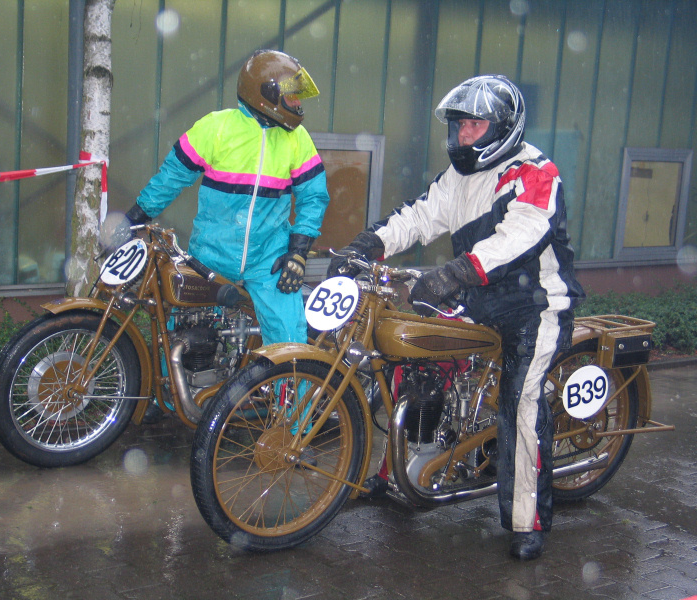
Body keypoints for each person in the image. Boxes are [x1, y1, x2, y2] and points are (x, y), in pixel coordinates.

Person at [328, 75, 586, 561]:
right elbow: (420, 217)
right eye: (459, 125)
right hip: (481, 298)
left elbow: (517, 238)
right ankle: (397, 473)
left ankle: (526, 520)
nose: (464, 134)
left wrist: (453, 274)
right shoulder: (459, 177)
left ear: (503, 127)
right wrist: (367, 245)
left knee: (520, 399)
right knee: (414, 358)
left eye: (475, 124)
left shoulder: (535, 172)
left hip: (537, 304)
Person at [119, 49, 330, 421]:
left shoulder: (297, 140)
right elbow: (173, 176)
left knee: (288, 335)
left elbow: (313, 197)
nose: (296, 103)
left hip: (270, 256)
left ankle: (293, 429)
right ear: (264, 91)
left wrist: (298, 251)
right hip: (209, 255)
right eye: (291, 94)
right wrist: (135, 217)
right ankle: (170, 397)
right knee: (178, 322)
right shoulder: (216, 127)